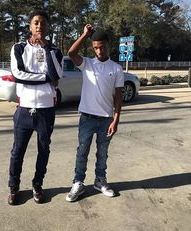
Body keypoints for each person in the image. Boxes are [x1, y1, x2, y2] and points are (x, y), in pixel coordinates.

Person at [8, 9, 63, 205]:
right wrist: (46, 78)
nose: (40, 26)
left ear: (48, 27)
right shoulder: (19, 48)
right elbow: (18, 74)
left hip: (46, 111)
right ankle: (14, 188)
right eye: (36, 22)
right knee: (17, 152)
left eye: (43, 23)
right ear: (30, 26)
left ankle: (37, 185)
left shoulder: (55, 50)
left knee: (44, 150)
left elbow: (57, 75)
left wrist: (47, 51)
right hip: (24, 110)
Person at [66, 24, 124, 202]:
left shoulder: (116, 69)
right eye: (96, 47)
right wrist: (85, 35)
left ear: (108, 45)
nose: (99, 50)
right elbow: (71, 54)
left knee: (102, 153)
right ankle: (78, 182)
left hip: (106, 119)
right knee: (82, 151)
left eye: (102, 46)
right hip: (87, 118)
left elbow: (118, 99)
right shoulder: (87, 64)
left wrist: (116, 120)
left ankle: (100, 181)